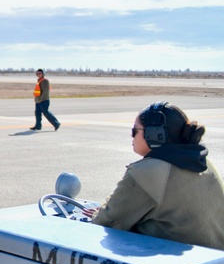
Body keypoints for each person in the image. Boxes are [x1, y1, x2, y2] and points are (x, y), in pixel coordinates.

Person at [85, 102, 224, 250]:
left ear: (155, 135)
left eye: (135, 131)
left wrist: (100, 213)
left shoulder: (147, 171)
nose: (132, 136)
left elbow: (107, 221)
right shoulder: (205, 163)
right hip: (215, 263)